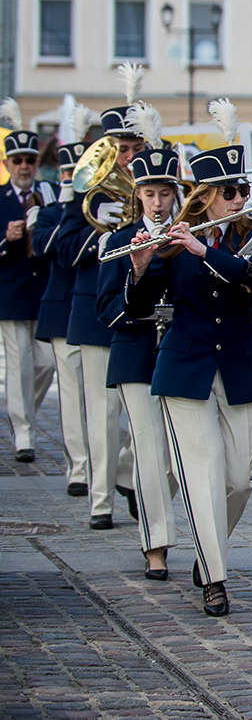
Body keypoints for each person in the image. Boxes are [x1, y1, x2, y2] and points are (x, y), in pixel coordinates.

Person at [124, 130, 252, 617]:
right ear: (205, 197)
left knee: (241, 477)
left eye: (242, 190)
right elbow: (139, 308)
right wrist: (142, 268)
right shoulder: (170, 240)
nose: (238, 198)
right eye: (229, 192)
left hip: (239, 363)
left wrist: (205, 251)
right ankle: (214, 575)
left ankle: (211, 551)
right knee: (202, 470)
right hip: (185, 364)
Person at [56, 105, 145, 530]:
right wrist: (99, 232)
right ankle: (100, 499)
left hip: (141, 309)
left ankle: (126, 472)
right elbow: (63, 250)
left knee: (145, 409)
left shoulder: (153, 187)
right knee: (103, 410)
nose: (126, 156)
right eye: (119, 148)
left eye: (133, 147)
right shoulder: (86, 190)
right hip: (94, 309)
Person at [96, 144, 182, 580]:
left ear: (175, 194)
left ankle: (152, 510)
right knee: (149, 453)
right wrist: (138, 276)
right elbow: (106, 308)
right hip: (135, 355)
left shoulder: (188, 237)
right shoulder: (117, 239)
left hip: (181, 354)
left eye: (165, 194)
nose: (157, 202)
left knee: (171, 462)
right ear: (138, 194)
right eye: (149, 194)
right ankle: (156, 545)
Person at [32, 139, 88, 494]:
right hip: (61, 313)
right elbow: (50, 248)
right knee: (71, 396)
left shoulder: (98, 207)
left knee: (103, 398)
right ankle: (80, 469)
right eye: (66, 172)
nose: (68, 178)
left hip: (93, 312)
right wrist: (72, 210)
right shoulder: (51, 212)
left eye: (75, 173)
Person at [0, 120, 58, 464]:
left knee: (46, 364)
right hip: (11, 294)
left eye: (30, 160)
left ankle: (23, 415)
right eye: (18, 160)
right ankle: (23, 432)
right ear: (7, 163)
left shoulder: (48, 192)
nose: (24, 166)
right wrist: (5, 240)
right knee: (18, 364)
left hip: (43, 291)